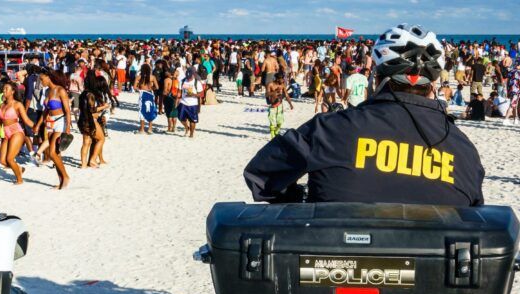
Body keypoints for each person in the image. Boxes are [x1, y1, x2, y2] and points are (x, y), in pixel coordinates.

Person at [243, 24, 483, 207]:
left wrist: (297, 196)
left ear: (377, 79)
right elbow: (473, 211)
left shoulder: (329, 129)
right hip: (430, 269)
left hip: (334, 262)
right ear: (432, 84)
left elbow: (261, 176)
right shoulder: (463, 150)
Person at [37, 70, 72, 190]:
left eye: (42, 79)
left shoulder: (60, 90)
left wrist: (67, 127)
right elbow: (45, 111)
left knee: (52, 153)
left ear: (48, 77)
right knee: (56, 154)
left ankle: (66, 176)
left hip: (61, 121)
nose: (41, 82)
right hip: (51, 123)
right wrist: (38, 124)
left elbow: (67, 110)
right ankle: (61, 180)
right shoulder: (48, 91)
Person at [0, 81, 34, 185]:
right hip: (5, 133)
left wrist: (37, 126)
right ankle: (19, 169)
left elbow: (26, 120)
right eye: (3, 89)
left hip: (16, 131)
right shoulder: (1, 105)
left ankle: (19, 180)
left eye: (6, 89)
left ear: (13, 91)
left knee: (10, 159)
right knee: (2, 161)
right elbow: (0, 120)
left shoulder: (18, 104)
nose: (4, 91)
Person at [77, 91, 109, 169]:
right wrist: (104, 107)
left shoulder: (82, 96)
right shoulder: (90, 95)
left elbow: (87, 110)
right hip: (91, 122)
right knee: (101, 139)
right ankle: (93, 159)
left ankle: (83, 165)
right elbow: (92, 109)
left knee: (86, 143)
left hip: (82, 121)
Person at [265, 73, 294, 138]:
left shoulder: (283, 85)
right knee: (272, 122)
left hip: (280, 105)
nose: (283, 80)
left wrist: (290, 104)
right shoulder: (270, 84)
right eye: (282, 79)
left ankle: (276, 131)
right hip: (272, 106)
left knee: (280, 122)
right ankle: (272, 136)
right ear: (277, 79)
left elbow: (286, 95)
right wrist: (275, 92)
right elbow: (266, 94)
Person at [134, 63, 159, 134]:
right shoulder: (152, 77)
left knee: (142, 110)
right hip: (150, 94)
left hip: (142, 94)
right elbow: (157, 87)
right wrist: (151, 88)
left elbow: (134, 87)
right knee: (150, 110)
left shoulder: (139, 77)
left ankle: (142, 129)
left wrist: (140, 89)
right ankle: (150, 128)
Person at [178, 68, 202, 138]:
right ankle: (187, 127)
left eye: (190, 77)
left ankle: (191, 134)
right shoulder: (182, 81)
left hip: (193, 104)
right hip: (183, 102)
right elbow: (179, 92)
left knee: (192, 120)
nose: (188, 79)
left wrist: (193, 95)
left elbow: (200, 94)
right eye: (187, 77)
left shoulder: (197, 82)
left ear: (193, 75)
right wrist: (177, 99)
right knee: (180, 118)